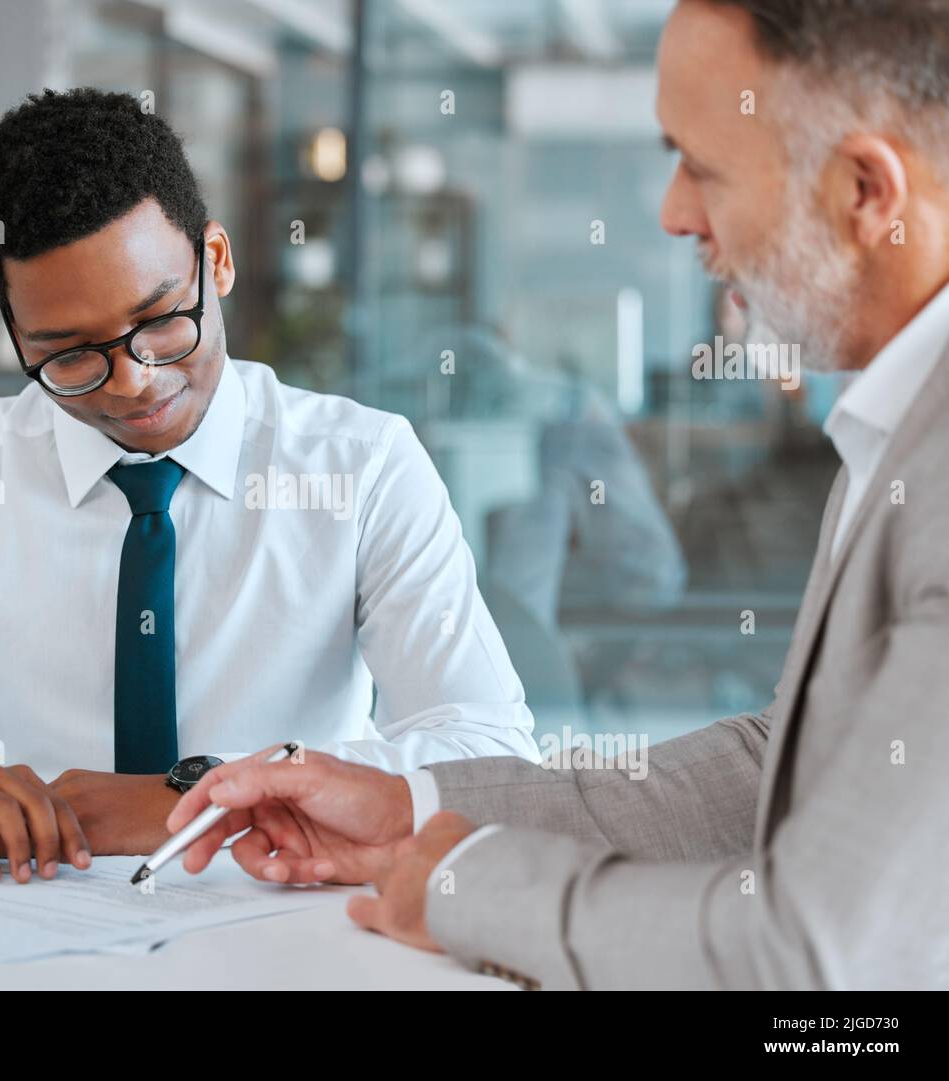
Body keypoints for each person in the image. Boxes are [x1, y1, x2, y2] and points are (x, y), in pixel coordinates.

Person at [168, 0, 949, 990]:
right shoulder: (899, 423)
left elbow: (813, 953)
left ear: (864, 189)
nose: (673, 213)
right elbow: (782, 768)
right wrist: (414, 808)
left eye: (700, 167)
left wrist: (465, 883)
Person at [0, 89, 538, 883]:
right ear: (16, 335)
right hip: (31, 939)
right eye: (69, 353)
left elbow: (491, 752)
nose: (133, 382)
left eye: (163, 320)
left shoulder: (361, 467)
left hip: (292, 925)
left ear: (215, 260)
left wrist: (190, 795)